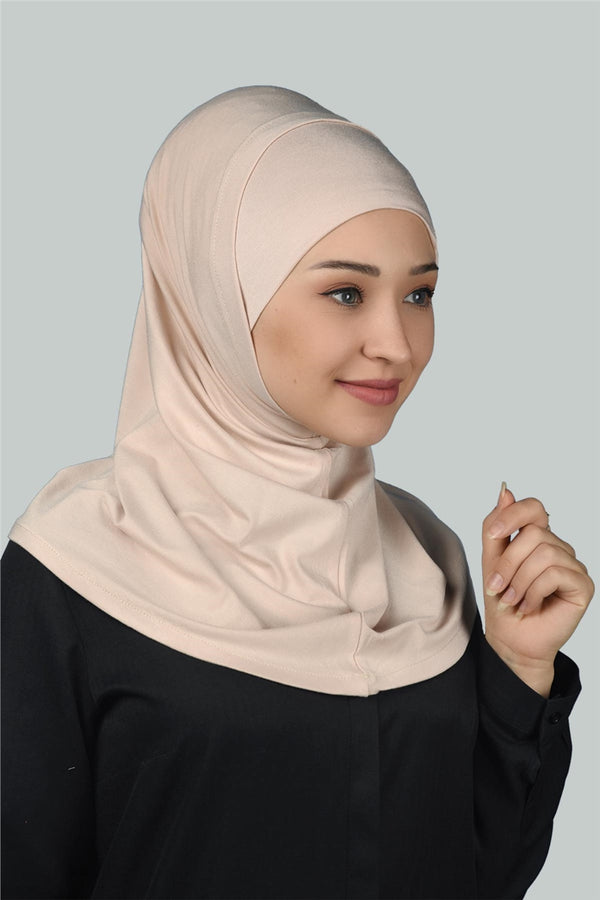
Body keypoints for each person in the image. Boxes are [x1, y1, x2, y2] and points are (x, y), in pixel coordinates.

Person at [1, 85, 594, 900]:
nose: (397, 344)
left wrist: (520, 669)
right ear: (217, 293)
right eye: (346, 292)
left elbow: (477, 877)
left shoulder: (428, 560)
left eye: (419, 294)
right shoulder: (75, 568)